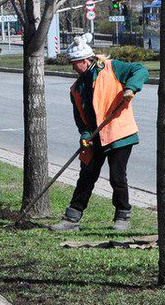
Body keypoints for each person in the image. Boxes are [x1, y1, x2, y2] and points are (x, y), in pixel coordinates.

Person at [50, 35, 149, 232]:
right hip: (95, 137)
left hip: (119, 133)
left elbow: (140, 70)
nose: (72, 68)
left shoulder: (112, 68)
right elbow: (82, 119)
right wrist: (85, 135)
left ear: (85, 61)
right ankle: (72, 218)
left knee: (117, 177)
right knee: (86, 176)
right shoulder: (76, 89)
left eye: (74, 64)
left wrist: (130, 88)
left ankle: (123, 215)